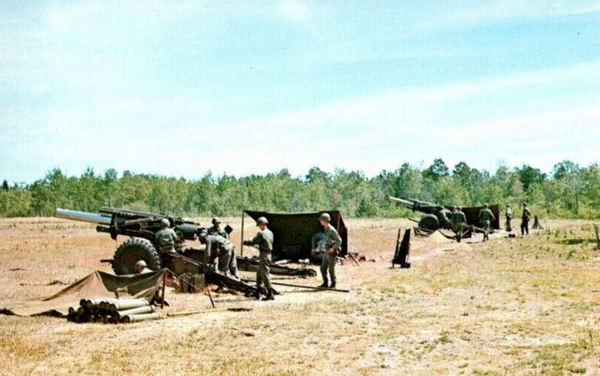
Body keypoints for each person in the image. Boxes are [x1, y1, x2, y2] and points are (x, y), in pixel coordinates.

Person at [243, 217, 275, 301]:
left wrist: (245, 242)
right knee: (259, 274)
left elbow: (253, 241)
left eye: (259, 225)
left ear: (262, 224)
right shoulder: (270, 232)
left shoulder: (261, 233)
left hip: (264, 255)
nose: (259, 227)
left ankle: (270, 293)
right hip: (268, 254)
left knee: (265, 274)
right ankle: (259, 291)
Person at [318, 212, 342, 289]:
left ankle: (333, 284)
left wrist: (333, 248)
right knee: (323, 268)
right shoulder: (326, 228)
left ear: (325, 220)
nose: (320, 221)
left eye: (321, 220)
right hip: (327, 250)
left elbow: (339, 240)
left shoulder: (331, 229)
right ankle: (325, 283)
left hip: (332, 252)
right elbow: (327, 239)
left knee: (331, 269)